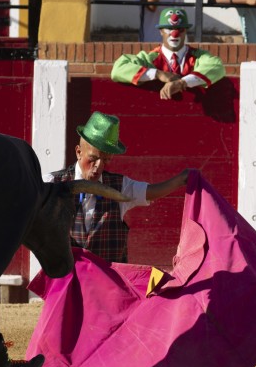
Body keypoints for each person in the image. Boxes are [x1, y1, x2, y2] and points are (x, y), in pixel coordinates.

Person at [49, 111, 189, 264]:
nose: (98, 167)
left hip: (107, 284)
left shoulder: (120, 186)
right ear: (78, 152)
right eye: (93, 158)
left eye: (106, 160)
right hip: (66, 280)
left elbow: (151, 192)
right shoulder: (51, 183)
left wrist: (180, 180)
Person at [111, 8, 225, 99]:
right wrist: (158, 74)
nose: (174, 34)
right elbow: (118, 68)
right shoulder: (150, 58)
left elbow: (217, 66)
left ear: (185, 31)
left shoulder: (198, 57)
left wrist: (181, 83)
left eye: (180, 30)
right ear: (161, 31)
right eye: (168, 29)